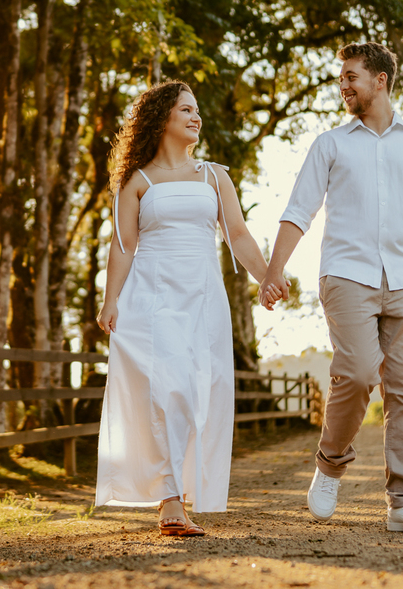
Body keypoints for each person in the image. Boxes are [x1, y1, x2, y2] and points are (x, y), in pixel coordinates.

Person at [259, 42, 403, 534]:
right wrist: (273, 270)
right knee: (358, 371)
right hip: (347, 275)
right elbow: (299, 208)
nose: (342, 86)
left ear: (380, 80)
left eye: (351, 76)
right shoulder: (331, 144)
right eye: (341, 78)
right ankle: (329, 463)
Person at [95, 80, 279, 536]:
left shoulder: (215, 176)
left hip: (203, 296)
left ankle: (188, 487)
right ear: (162, 119)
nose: (196, 118)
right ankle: (171, 500)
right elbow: (123, 246)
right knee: (166, 390)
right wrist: (110, 300)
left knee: (202, 390)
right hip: (152, 298)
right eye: (185, 110)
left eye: (197, 111)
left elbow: (237, 234)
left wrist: (268, 276)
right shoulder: (137, 182)